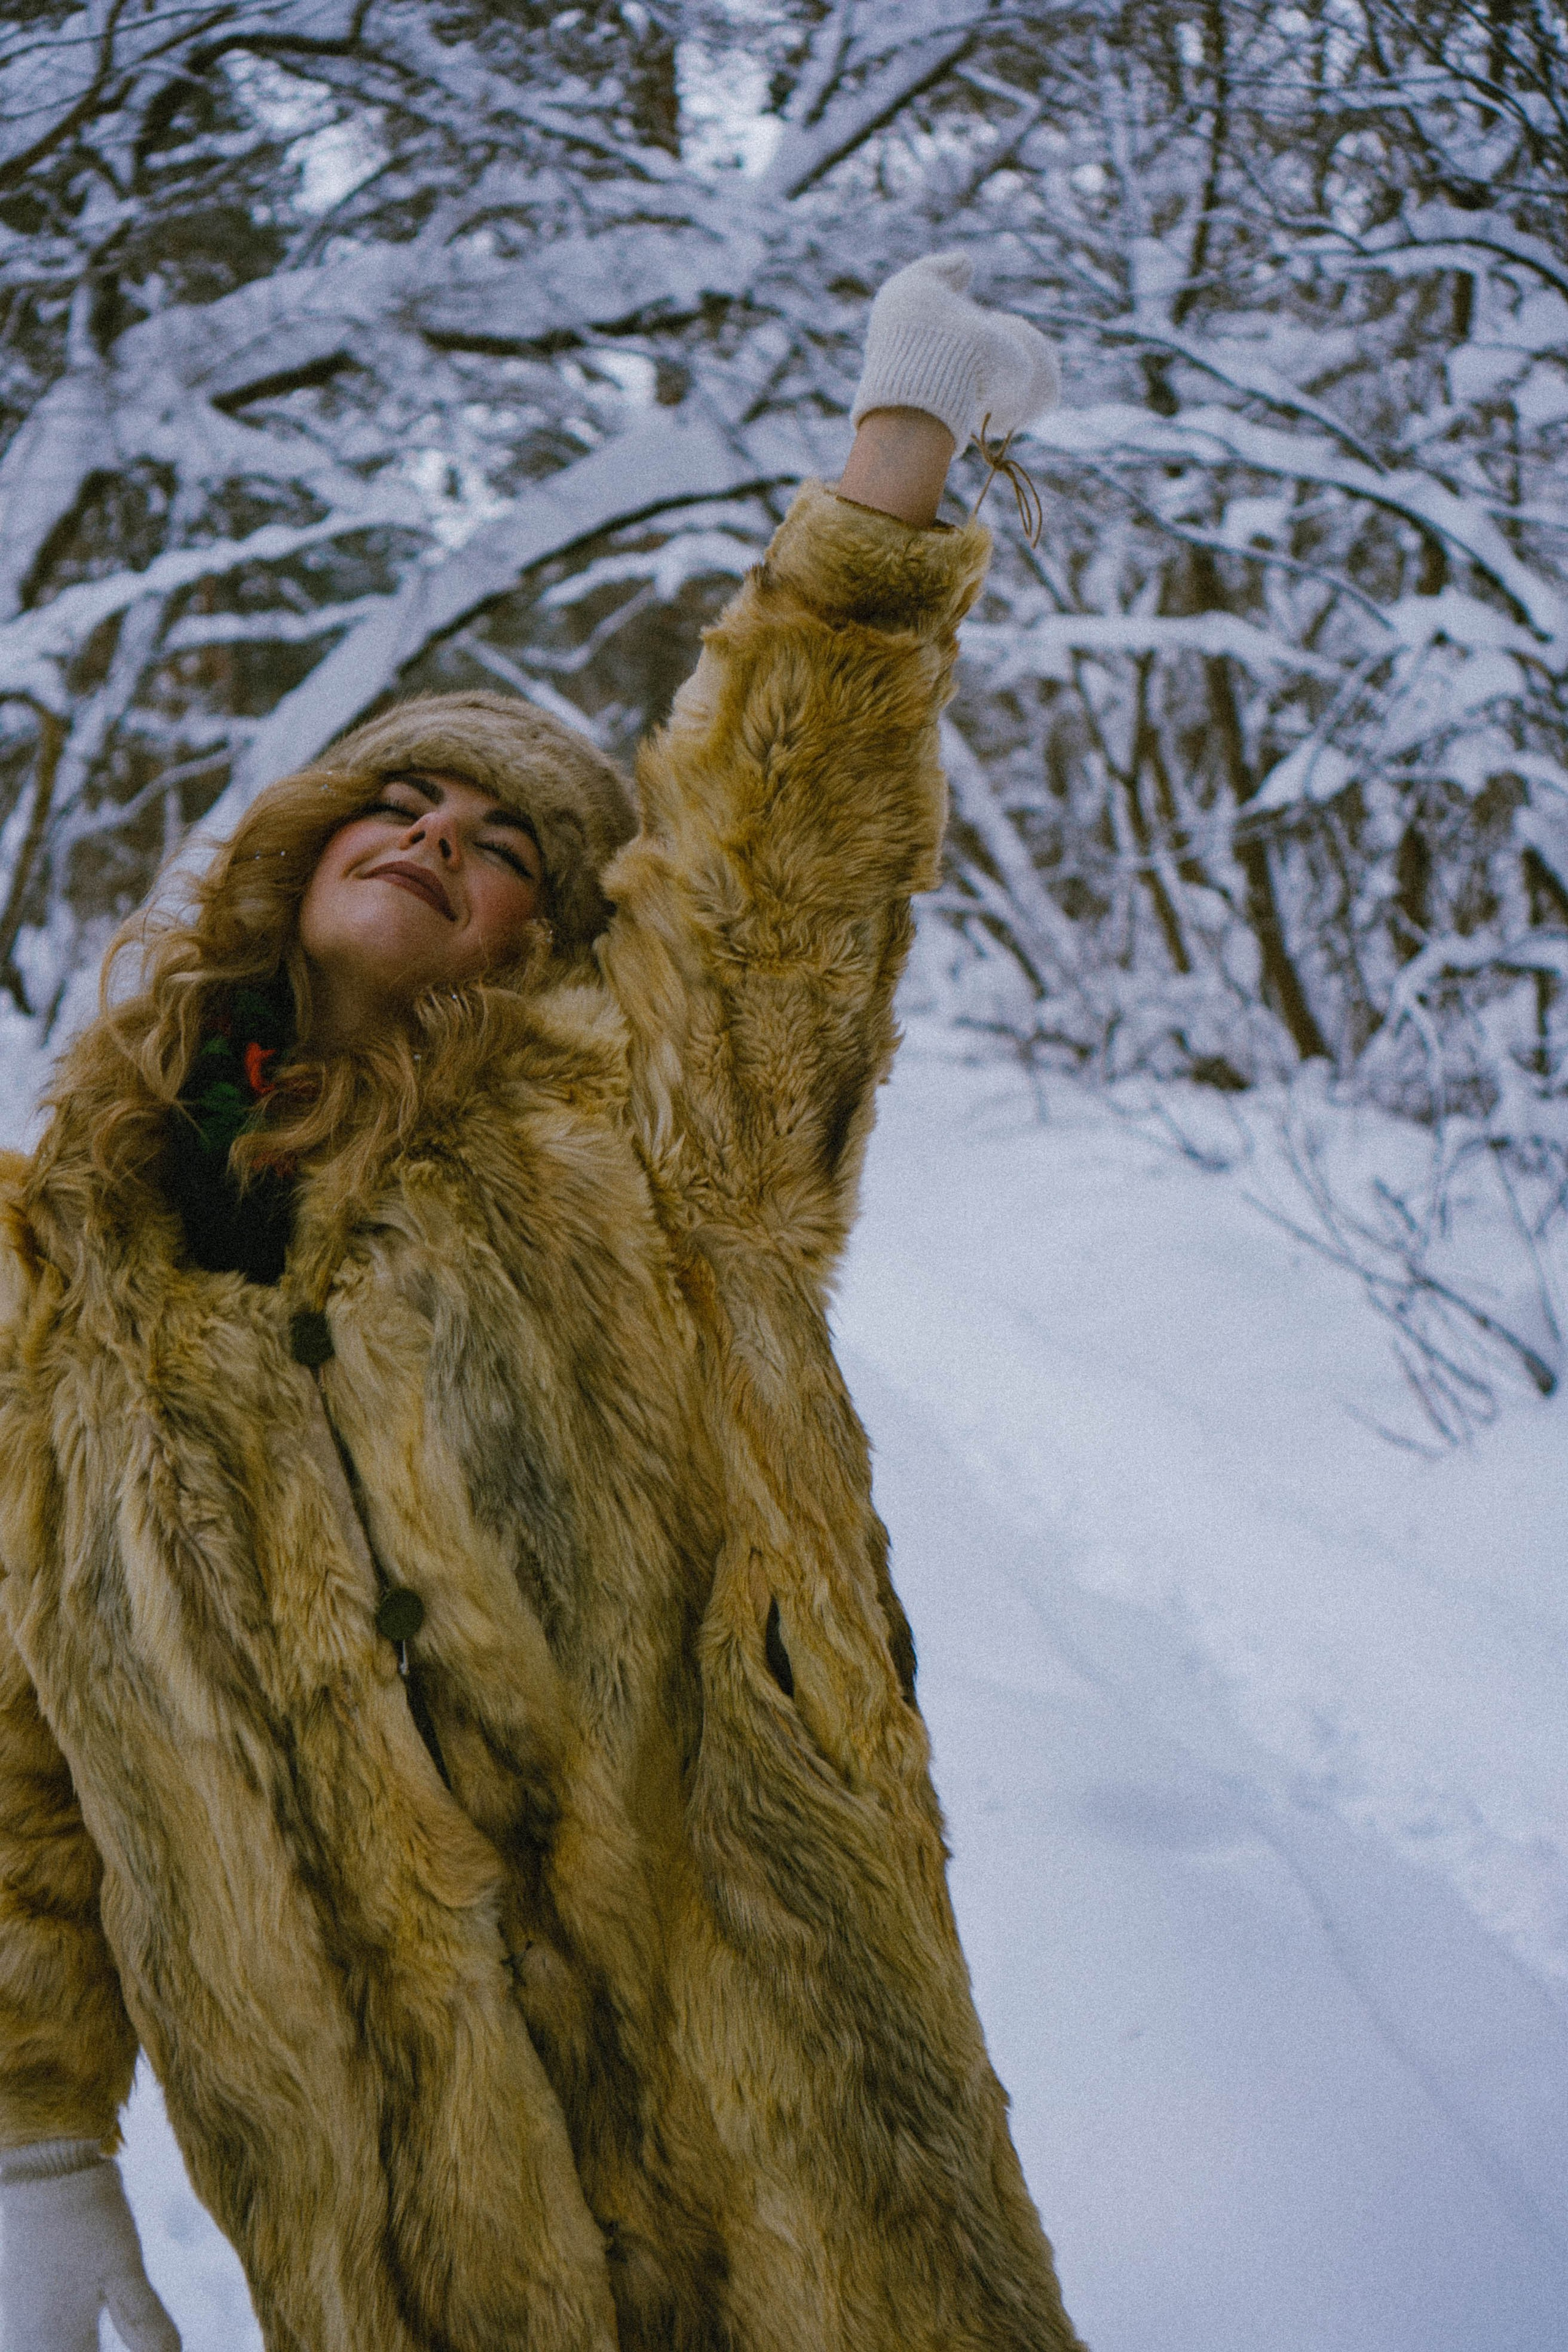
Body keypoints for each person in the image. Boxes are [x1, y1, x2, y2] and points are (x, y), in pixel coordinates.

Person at [0, 255, 1082, 2352]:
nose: (434, 837)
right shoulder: (65, 1265)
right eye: (398, 798)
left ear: (544, 940)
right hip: (391, 2212)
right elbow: (22, 1745)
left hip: (780, 2150)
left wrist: (893, 474)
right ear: (297, 849)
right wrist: (33, 2141)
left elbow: (781, 867)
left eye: (505, 844)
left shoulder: (649, 1147)